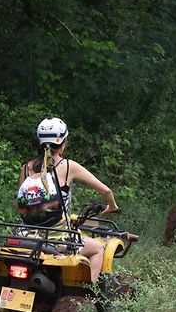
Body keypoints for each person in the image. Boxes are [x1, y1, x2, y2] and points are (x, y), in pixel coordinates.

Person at [16, 117, 119, 283]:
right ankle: (87, 296)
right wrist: (112, 206)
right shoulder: (68, 166)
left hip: (27, 236)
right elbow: (105, 190)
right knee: (98, 248)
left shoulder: (26, 168)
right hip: (58, 240)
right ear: (63, 142)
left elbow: (18, 205)